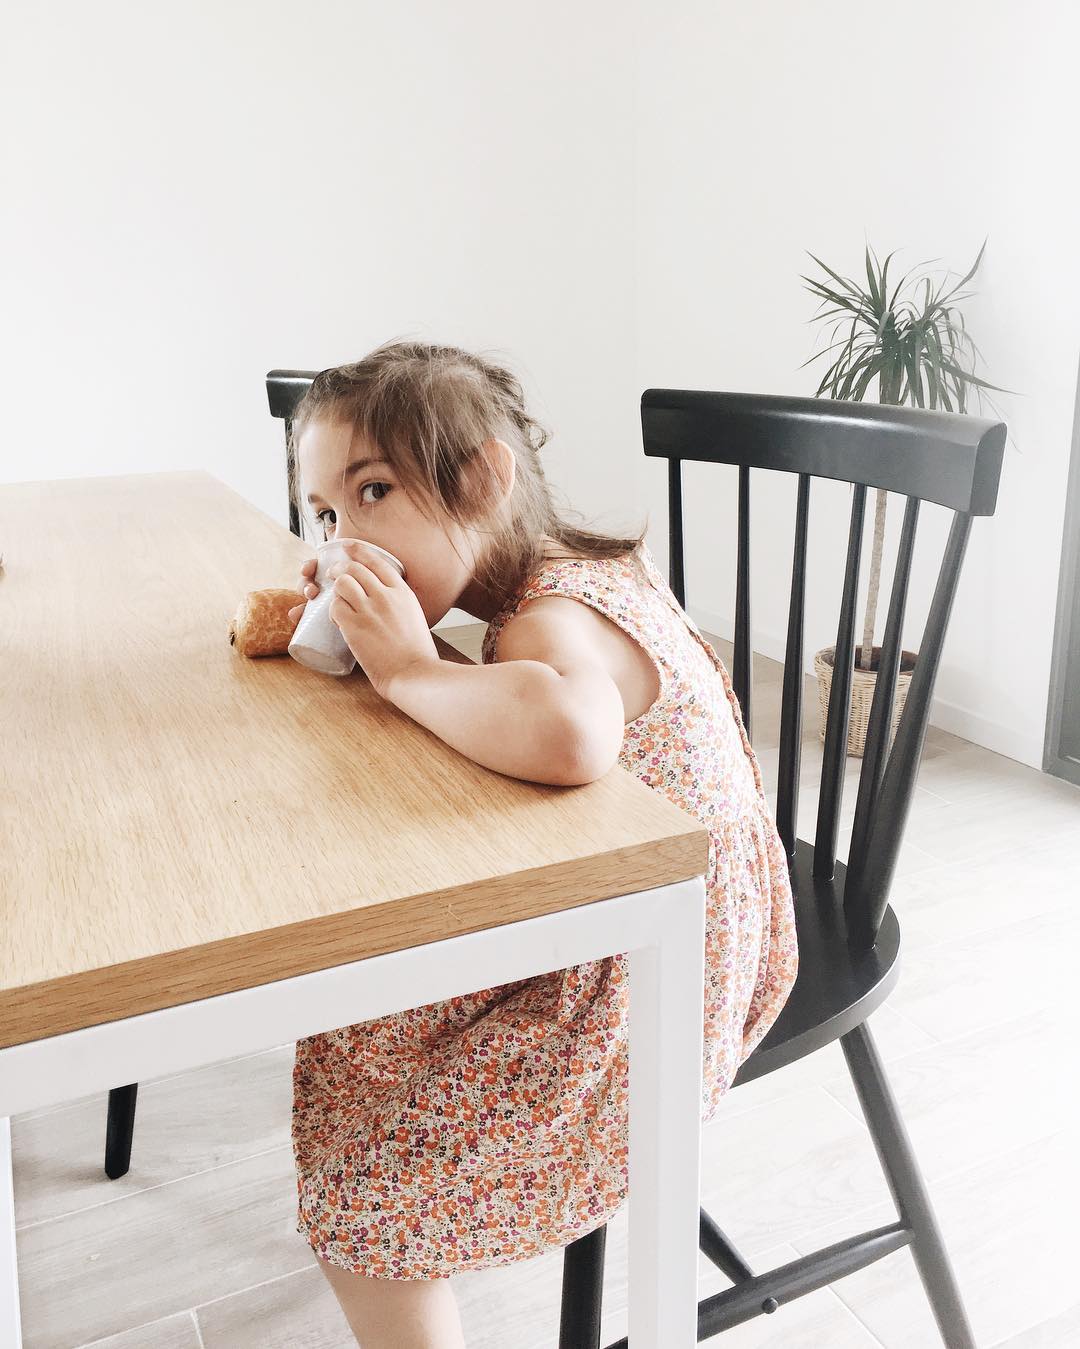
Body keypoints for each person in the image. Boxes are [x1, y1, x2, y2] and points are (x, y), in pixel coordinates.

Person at [284, 340, 798, 1348]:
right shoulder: (556, 577)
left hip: (663, 973)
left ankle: (379, 1238)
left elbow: (572, 731)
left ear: (479, 480)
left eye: (374, 491)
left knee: (366, 1152)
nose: (346, 535)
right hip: (652, 908)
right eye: (328, 514)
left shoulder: (552, 617)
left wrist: (408, 675)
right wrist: (411, 647)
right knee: (361, 1022)